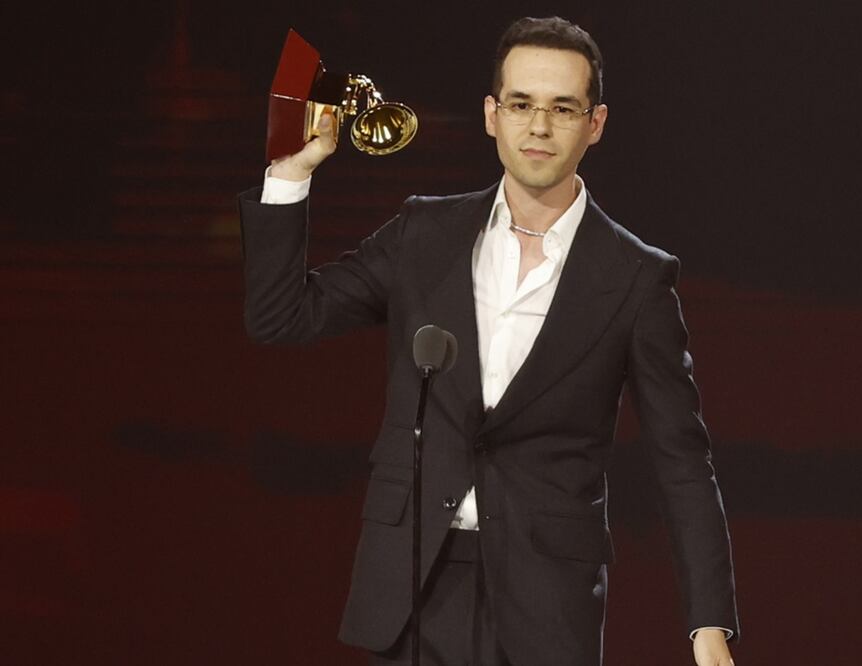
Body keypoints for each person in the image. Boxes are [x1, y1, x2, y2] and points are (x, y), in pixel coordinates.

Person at [239, 16, 738, 666]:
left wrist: (709, 627)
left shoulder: (636, 278)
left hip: (546, 596)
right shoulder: (424, 235)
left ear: (595, 123)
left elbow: (681, 461)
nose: (537, 127)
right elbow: (281, 316)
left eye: (562, 108)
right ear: (490, 114)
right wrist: (292, 171)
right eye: (521, 105)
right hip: (411, 583)